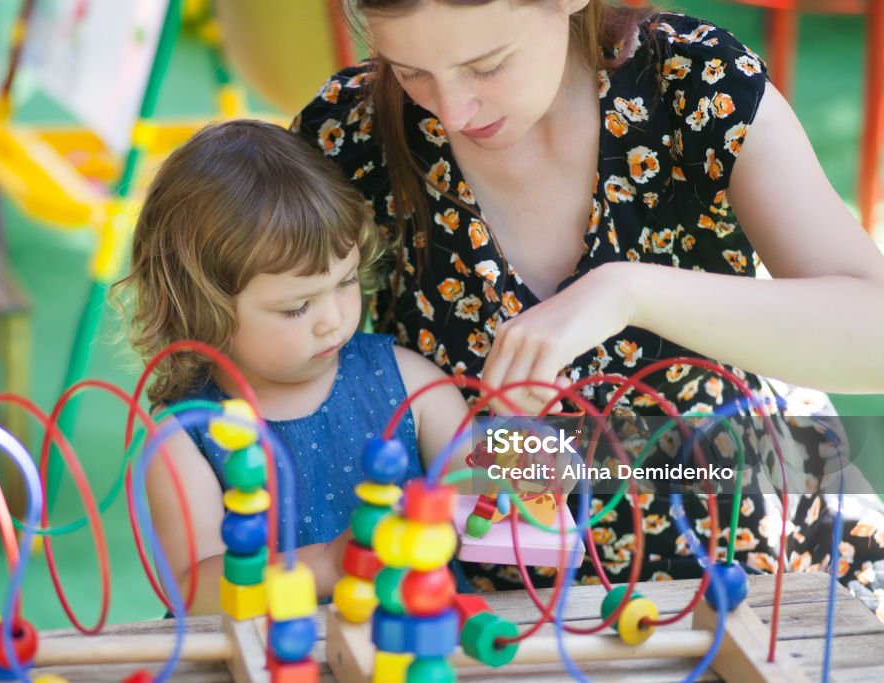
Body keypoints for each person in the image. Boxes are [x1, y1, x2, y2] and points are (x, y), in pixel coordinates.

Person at [293, 0, 884, 600]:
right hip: (485, 600)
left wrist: (628, 290)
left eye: (488, 65)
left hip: (754, 558)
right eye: (409, 70)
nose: (450, 110)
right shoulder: (351, 135)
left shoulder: (693, 82)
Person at [112, 120, 470, 615]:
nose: (334, 322)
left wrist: (539, 439)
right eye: (296, 308)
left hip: (409, 646)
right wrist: (328, 563)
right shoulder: (184, 435)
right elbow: (193, 589)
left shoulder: (407, 382)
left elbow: (483, 474)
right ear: (203, 310)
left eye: (345, 282)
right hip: (261, 658)